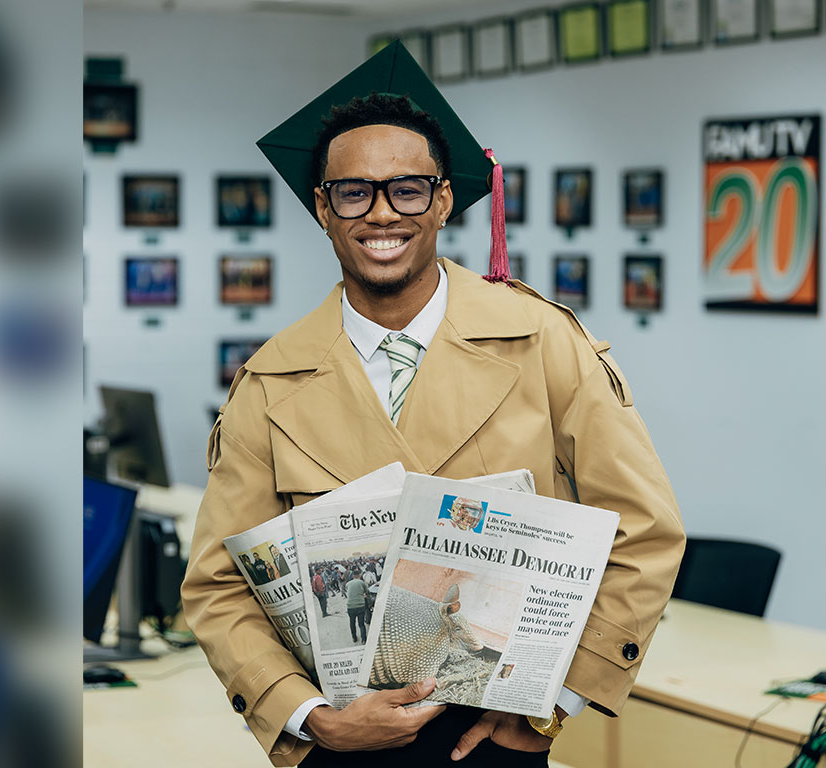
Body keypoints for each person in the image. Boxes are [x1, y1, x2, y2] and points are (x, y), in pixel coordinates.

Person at [182, 41, 684, 768]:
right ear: (323, 208)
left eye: (407, 189)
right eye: (353, 192)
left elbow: (645, 531)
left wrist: (556, 703)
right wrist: (311, 718)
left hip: (497, 733)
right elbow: (218, 585)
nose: (381, 214)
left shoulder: (542, 341)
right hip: (343, 743)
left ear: (444, 198)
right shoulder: (269, 381)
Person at [344, 570, 370, 644]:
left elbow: (349, 592)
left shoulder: (348, 583)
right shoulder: (362, 582)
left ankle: (354, 637)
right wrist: (364, 595)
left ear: (353, 576)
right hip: (360, 605)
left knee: (352, 623)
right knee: (361, 624)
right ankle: (364, 639)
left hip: (350, 606)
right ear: (359, 575)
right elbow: (367, 591)